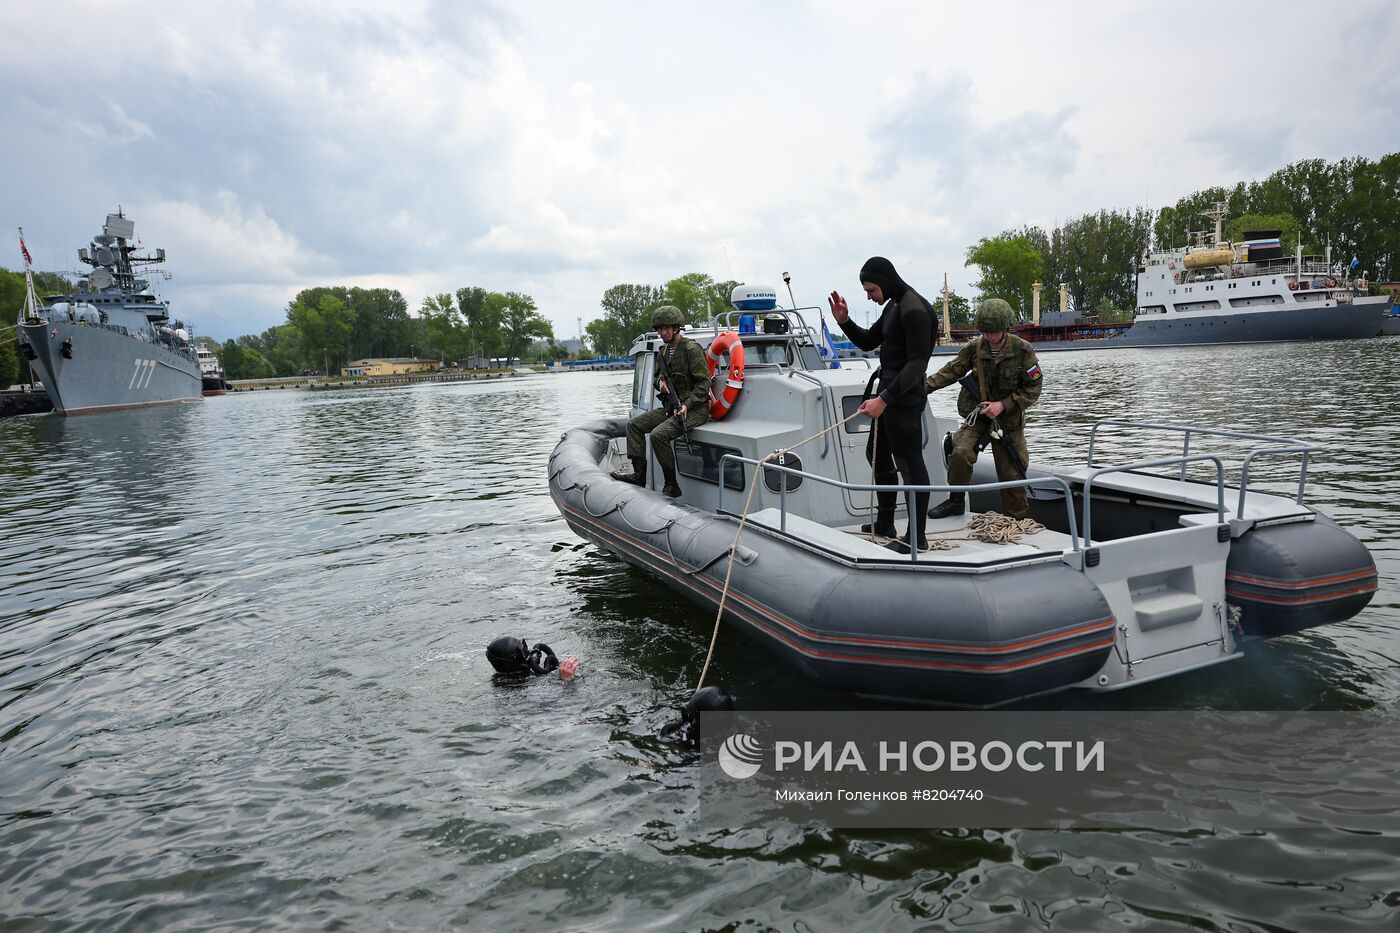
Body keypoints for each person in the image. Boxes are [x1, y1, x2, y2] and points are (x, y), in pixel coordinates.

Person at [829, 257, 936, 553]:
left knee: (910, 464)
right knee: (875, 454)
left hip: (904, 396)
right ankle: (885, 522)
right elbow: (866, 342)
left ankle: (917, 536)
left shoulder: (914, 308)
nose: (869, 296)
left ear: (886, 281)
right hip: (887, 392)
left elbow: (917, 364)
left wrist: (884, 399)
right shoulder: (893, 305)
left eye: (871, 289)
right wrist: (844, 322)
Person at [925, 298, 1043, 520]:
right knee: (959, 452)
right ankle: (956, 501)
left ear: (1006, 328)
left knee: (1012, 471)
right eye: (986, 332)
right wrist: (924, 388)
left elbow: (1033, 389)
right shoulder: (975, 348)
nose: (990, 337)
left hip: (1008, 419)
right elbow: (952, 371)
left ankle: (1015, 518)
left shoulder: (1023, 351)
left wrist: (1002, 405)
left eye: (995, 332)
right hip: (978, 415)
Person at [610, 305, 711, 498]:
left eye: (667, 328)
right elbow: (657, 377)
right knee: (634, 425)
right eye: (660, 328)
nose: (663, 332)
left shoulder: (691, 349)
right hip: (670, 407)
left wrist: (686, 405)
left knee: (658, 435)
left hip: (695, 409)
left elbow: (704, 383)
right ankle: (639, 475)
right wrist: (660, 383)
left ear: (676, 328)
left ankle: (671, 484)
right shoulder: (664, 351)